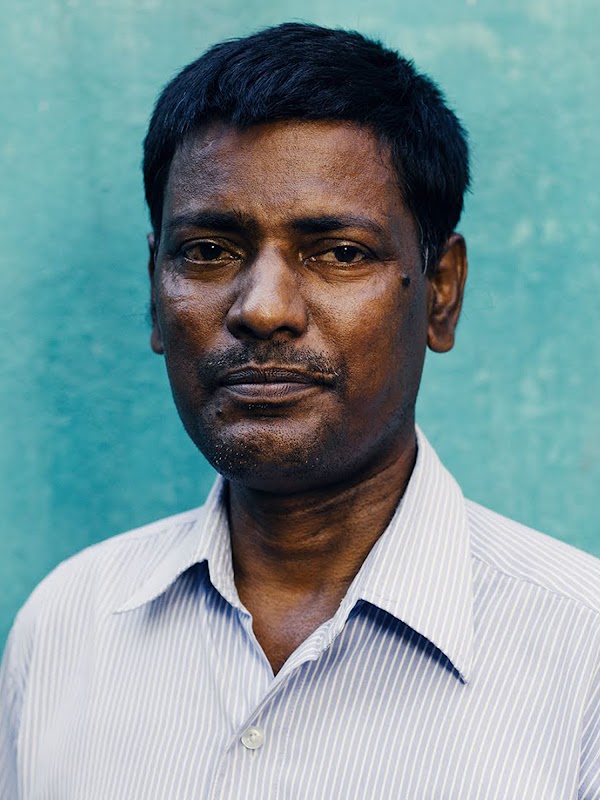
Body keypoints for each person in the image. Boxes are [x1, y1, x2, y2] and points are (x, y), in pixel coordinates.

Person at [1, 22, 598, 799]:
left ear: (441, 292)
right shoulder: (69, 626)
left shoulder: (581, 654)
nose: (264, 309)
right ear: (154, 289)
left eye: (340, 252)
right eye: (209, 250)